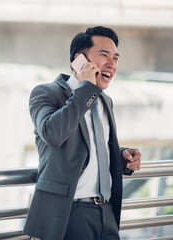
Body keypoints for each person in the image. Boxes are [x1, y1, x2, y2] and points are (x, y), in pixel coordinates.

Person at [23, 26, 142, 240]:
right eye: (104, 55)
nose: (111, 64)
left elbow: (94, 145)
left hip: (106, 212)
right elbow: (53, 134)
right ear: (79, 59)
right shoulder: (45, 93)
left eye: (115, 58)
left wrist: (121, 154)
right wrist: (86, 87)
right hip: (69, 214)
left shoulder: (105, 101)